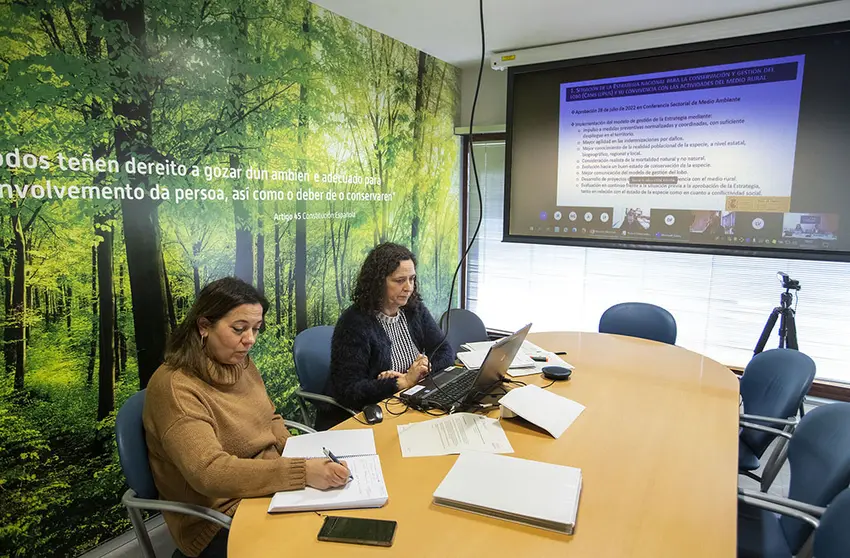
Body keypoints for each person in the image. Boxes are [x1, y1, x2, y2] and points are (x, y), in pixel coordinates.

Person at [143, 277, 349, 558]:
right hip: (218, 517)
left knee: (348, 524)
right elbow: (210, 473)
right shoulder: (175, 388)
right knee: (321, 545)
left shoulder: (239, 363)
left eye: (256, 328)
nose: (250, 339)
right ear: (204, 326)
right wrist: (301, 472)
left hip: (268, 487)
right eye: (239, 329)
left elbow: (270, 417)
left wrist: (298, 455)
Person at [327, 242, 454, 421]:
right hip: (370, 416)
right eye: (400, 280)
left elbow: (445, 350)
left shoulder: (414, 309)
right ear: (378, 283)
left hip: (407, 403)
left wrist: (424, 370)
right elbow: (348, 390)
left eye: (412, 279)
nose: (409, 287)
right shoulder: (354, 323)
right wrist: (401, 382)